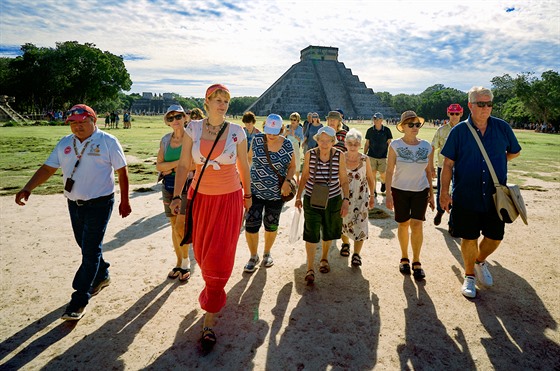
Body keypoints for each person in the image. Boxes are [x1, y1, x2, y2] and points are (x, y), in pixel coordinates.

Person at [15, 104, 132, 320]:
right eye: (74, 123)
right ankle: (102, 273)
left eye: (83, 122)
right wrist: (28, 187)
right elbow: (48, 168)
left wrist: (125, 201)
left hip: (100, 203)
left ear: (93, 121)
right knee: (86, 244)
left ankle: (79, 299)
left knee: (89, 249)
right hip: (74, 203)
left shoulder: (107, 141)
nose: (78, 127)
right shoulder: (65, 144)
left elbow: (122, 171)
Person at [169, 84, 251, 351]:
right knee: (202, 254)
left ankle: (209, 319)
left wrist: (248, 195)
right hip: (200, 198)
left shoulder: (237, 132)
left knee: (219, 257)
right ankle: (210, 290)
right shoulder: (192, 128)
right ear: (206, 102)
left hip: (228, 199)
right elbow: (184, 164)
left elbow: (243, 166)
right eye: (217, 99)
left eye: (226, 100)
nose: (222, 104)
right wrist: (178, 195)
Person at [440, 86, 521, 299]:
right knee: (469, 237)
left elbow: (514, 152)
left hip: (495, 196)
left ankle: (479, 261)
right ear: (470, 105)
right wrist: (443, 193)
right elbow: (448, 164)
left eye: (489, 104)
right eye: (480, 104)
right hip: (466, 194)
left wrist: (497, 161)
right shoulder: (459, 131)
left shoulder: (502, 128)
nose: (485, 108)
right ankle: (469, 276)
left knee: (495, 237)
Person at [295, 126, 350, 285]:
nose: (324, 144)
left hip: (333, 198)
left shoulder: (339, 155)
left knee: (329, 231)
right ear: (317, 140)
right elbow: (304, 177)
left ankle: (324, 258)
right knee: (311, 232)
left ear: (333, 142)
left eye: (328, 141)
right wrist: (298, 197)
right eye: (321, 140)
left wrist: (346, 199)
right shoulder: (310, 154)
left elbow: (344, 179)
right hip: (312, 198)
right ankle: (310, 268)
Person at [385, 111, 435, 280]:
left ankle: (417, 260)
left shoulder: (427, 146)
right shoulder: (395, 146)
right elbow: (389, 170)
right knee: (403, 224)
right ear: (403, 127)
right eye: (410, 124)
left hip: (420, 190)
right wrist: (389, 194)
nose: (414, 127)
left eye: (417, 124)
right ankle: (404, 257)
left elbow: (429, 171)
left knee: (417, 225)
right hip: (400, 190)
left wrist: (431, 194)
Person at [244, 114, 296, 273]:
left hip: (276, 194)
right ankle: (253, 256)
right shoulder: (257, 140)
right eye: (268, 131)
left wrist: (288, 181)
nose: (271, 135)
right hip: (255, 191)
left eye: (275, 132)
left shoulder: (288, 145)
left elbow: (293, 167)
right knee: (251, 225)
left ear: (281, 129)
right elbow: (248, 159)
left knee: (271, 225)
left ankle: (267, 253)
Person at [156, 105, 191, 282]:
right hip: (168, 184)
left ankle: (185, 262)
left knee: (181, 225)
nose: (175, 120)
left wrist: (172, 166)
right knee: (172, 224)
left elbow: (193, 165)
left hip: (186, 184)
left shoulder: (192, 139)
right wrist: (180, 163)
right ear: (167, 122)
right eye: (171, 118)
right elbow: (159, 166)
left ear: (185, 117)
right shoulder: (165, 140)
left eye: (178, 116)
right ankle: (178, 261)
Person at [340, 129, 375, 265]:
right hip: (344, 197)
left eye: (356, 143)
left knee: (360, 225)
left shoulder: (365, 159)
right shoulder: (340, 157)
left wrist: (372, 195)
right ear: (345, 143)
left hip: (361, 198)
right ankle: (345, 244)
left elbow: (371, 179)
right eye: (350, 143)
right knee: (343, 223)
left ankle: (356, 254)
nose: (353, 146)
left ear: (360, 144)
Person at [431, 103, 463, 235]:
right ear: (448, 114)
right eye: (452, 113)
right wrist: (431, 166)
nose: (454, 116)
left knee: (457, 194)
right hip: (442, 166)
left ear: (461, 114)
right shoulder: (442, 130)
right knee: (441, 190)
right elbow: (433, 147)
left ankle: (452, 222)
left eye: (457, 114)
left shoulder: (466, 130)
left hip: (460, 167)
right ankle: (440, 210)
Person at [364, 112, 393, 196]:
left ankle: (383, 182)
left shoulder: (387, 130)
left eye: (377, 119)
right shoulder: (370, 130)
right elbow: (367, 143)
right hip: (371, 155)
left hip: (383, 156)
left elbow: (389, 143)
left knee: (383, 173)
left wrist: (391, 156)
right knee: (372, 174)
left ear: (381, 120)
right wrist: (364, 154)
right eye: (374, 119)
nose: (375, 121)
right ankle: (373, 191)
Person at [286, 112, 304, 182]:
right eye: (291, 119)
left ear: (298, 121)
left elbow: (301, 139)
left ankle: (297, 180)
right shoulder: (288, 127)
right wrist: (285, 133)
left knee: (297, 163)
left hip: (295, 146)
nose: (292, 121)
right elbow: (283, 137)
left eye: (294, 120)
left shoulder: (300, 129)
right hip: (288, 147)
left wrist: (294, 135)